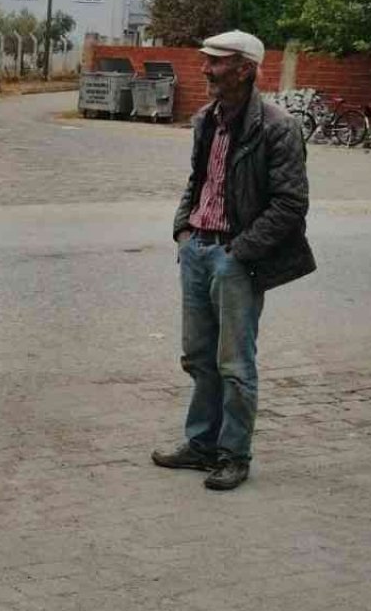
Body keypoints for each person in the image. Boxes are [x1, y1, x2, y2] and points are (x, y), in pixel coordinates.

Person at [151, 30, 316, 491]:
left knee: (235, 363)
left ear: (244, 69)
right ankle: (201, 444)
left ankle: (233, 454)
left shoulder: (278, 127)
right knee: (198, 356)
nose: (205, 69)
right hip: (197, 249)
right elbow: (198, 181)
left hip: (236, 256)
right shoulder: (206, 119)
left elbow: (290, 204)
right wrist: (183, 231)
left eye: (216, 61)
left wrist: (238, 253)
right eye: (206, 60)